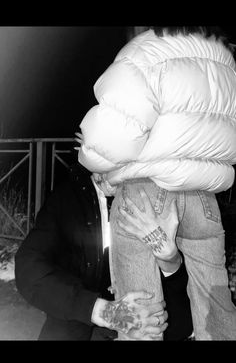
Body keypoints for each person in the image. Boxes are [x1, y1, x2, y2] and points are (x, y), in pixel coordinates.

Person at [77, 26, 236, 340]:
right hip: (204, 201)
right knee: (217, 307)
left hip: (145, 195)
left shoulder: (146, 52)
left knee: (141, 316)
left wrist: (91, 158)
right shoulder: (226, 62)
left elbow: (111, 136)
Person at [15, 162, 193, 341]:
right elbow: (28, 268)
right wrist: (108, 313)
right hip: (77, 322)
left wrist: (171, 259)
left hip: (147, 323)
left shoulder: (158, 197)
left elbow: (183, 323)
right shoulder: (69, 199)